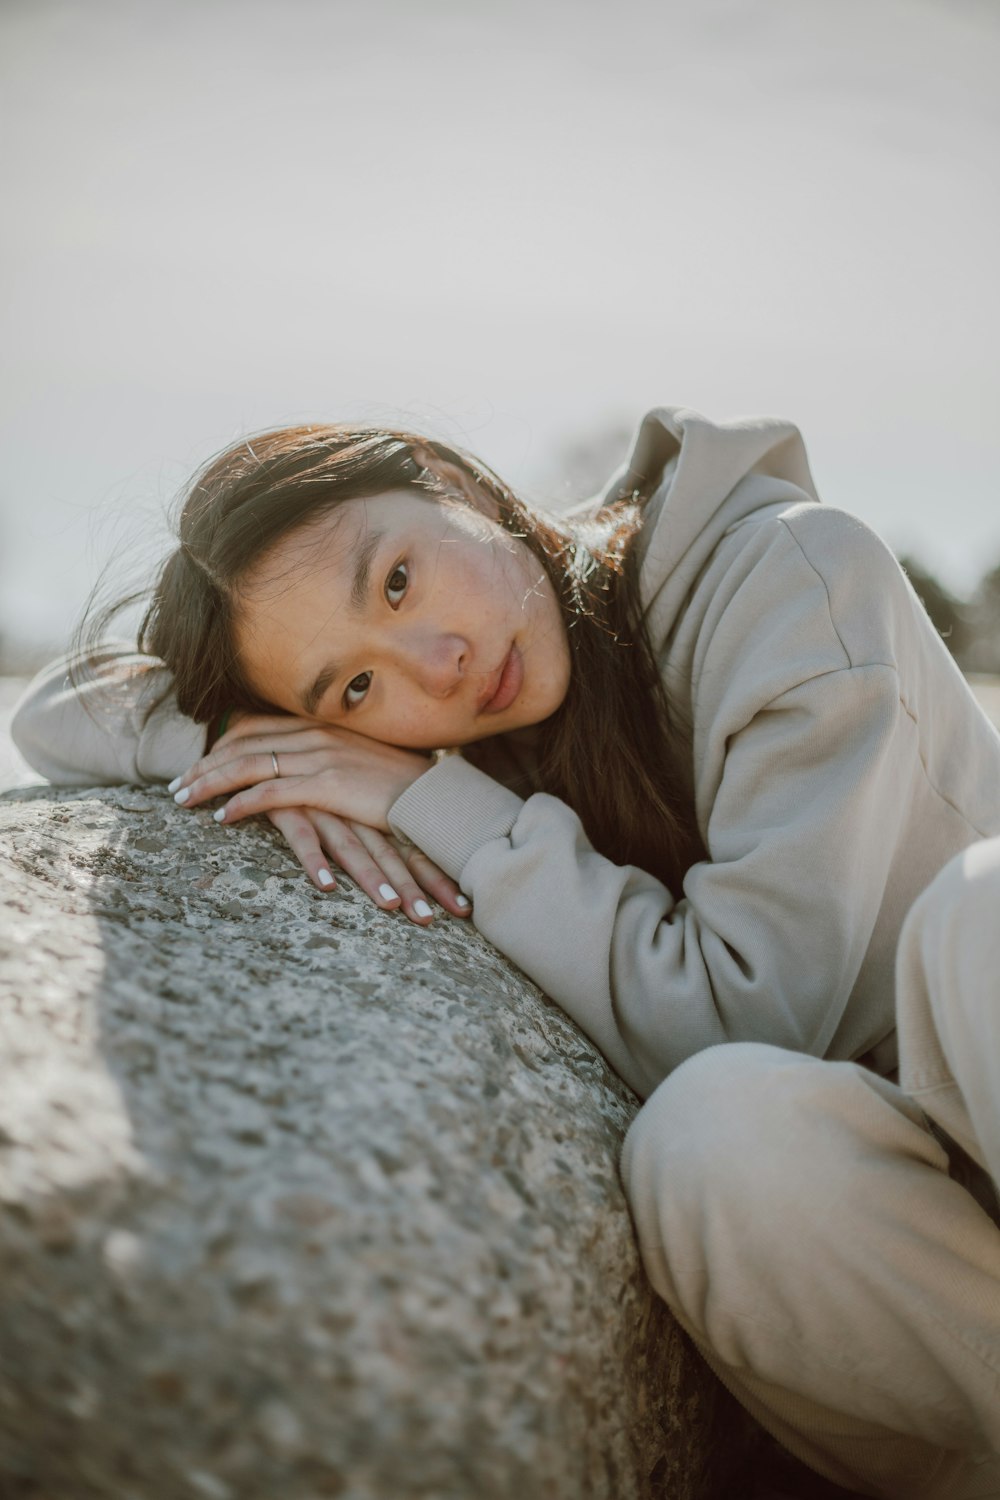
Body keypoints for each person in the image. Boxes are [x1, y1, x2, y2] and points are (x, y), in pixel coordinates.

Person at [12, 407, 1000, 1498]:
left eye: (395, 581)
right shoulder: (486, 710)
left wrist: (433, 803)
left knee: (979, 906)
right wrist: (255, 747)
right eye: (352, 690)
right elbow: (64, 708)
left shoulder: (788, 571)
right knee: (706, 1141)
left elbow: (754, 1008)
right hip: (914, 1222)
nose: (432, 670)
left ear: (449, 480)